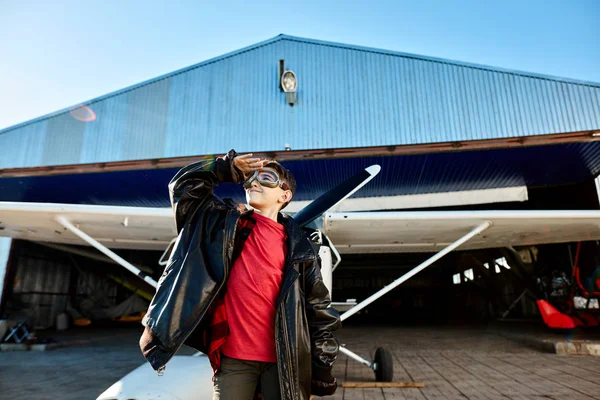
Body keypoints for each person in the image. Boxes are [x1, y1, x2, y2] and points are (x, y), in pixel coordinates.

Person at [140, 149, 341, 400]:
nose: (255, 181)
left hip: (285, 361)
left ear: (285, 195)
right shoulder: (219, 224)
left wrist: (321, 369)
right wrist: (225, 168)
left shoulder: (302, 249)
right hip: (233, 358)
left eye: (266, 178)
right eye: (251, 177)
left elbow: (319, 311)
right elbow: (183, 186)